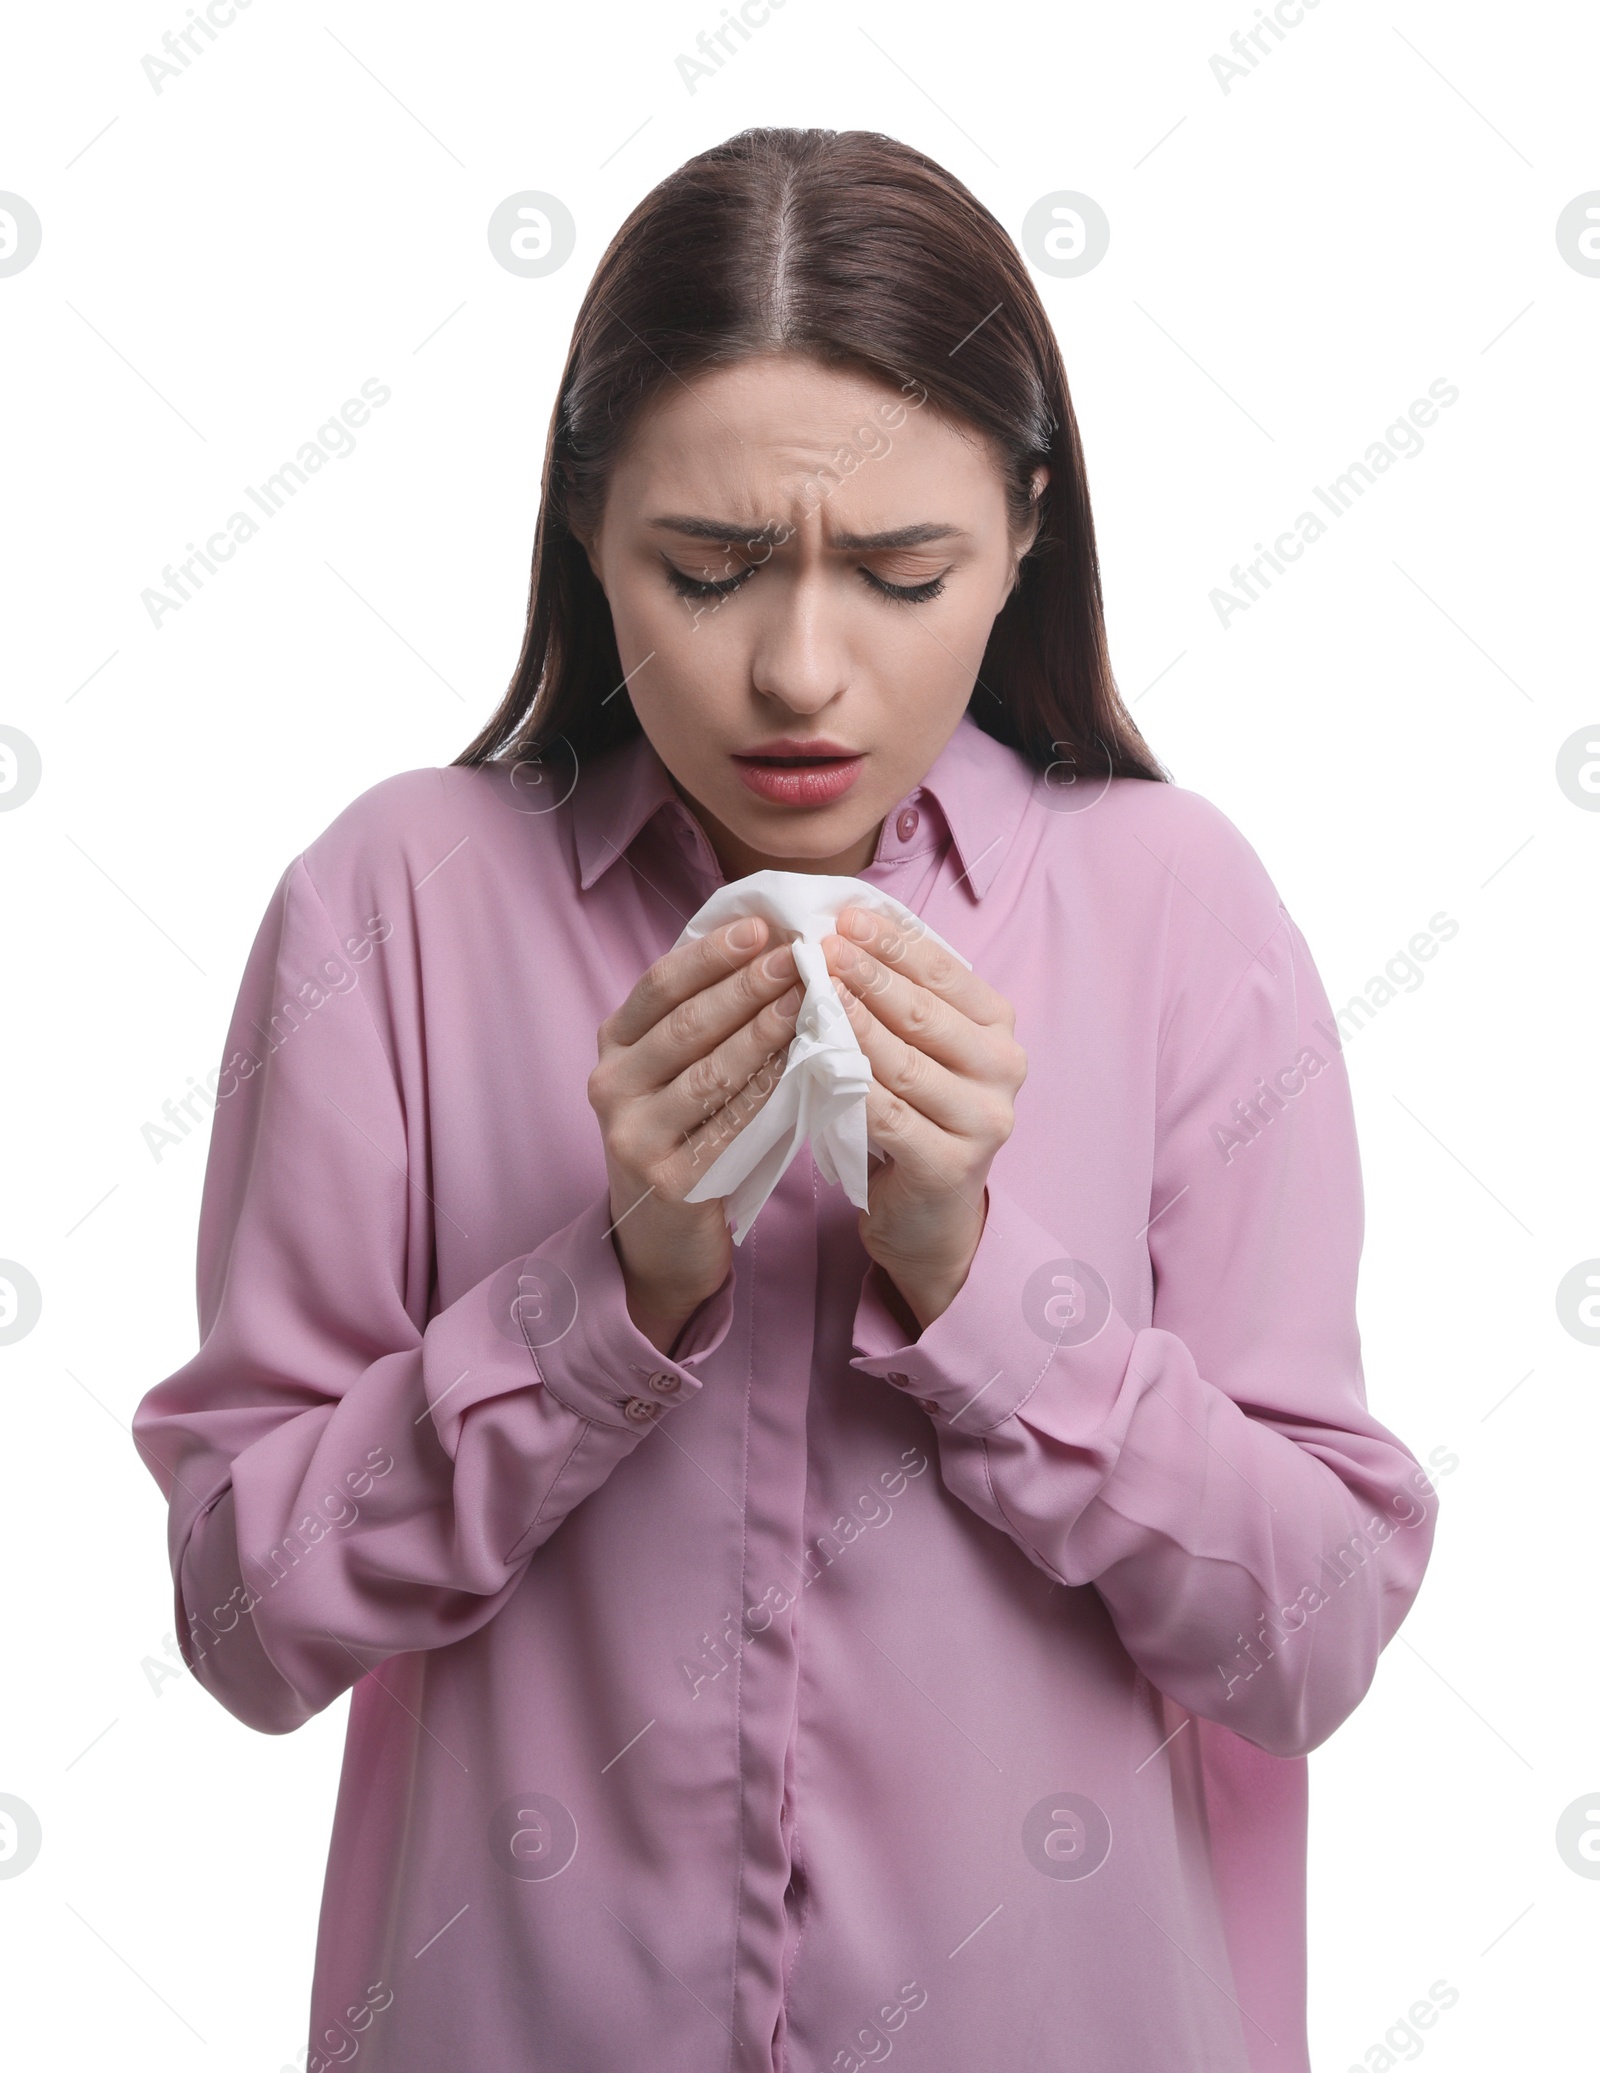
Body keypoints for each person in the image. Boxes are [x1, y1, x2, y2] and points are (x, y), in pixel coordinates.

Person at [132, 126, 1439, 2072]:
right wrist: (609, 1291)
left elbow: (1308, 1630)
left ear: (1019, 526)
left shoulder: (1175, 909)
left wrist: (978, 1281)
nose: (799, 671)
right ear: (584, 520)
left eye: (902, 570)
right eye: (707, 566)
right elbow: (252, 1619)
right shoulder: (393, 904)